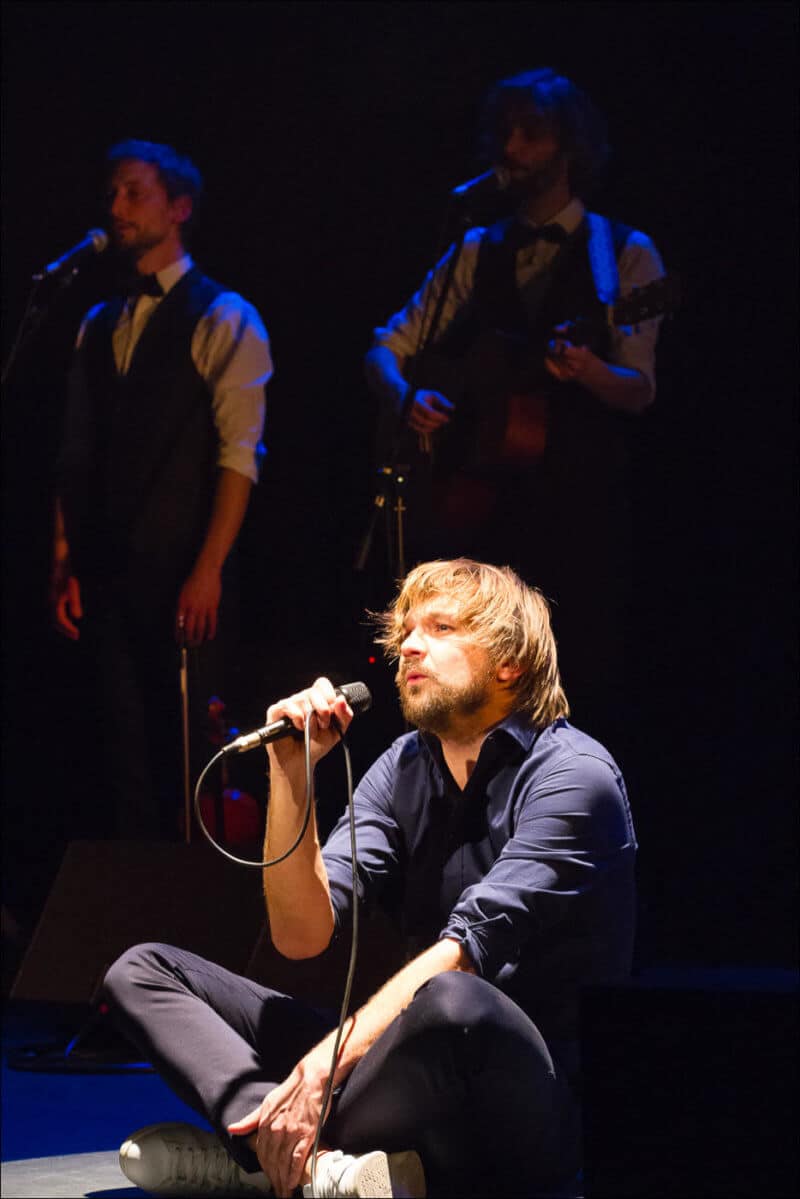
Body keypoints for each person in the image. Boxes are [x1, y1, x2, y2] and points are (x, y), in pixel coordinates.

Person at [103, 558, 637, 1198]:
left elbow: (464, 955)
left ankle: (256, 1158)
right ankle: (315, 1166)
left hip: (531, 1104)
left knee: (452, 1001)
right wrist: (290, 774)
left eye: (441, 628)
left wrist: (320, 1072)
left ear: (509, 663)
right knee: (142, 969)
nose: (410, 644)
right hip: (406, 1072)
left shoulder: (577, 777)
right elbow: (300, 936)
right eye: (406, 630)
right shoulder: (406, 764)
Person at [364, 68, 666, 755]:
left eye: (531, 134)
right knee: (481, 700)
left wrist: (589, 371)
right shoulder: (476, 246)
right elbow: (386, 343)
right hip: (483, 513)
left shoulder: (624, 253)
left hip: (581, 516)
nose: (512, 148)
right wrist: (409, 398)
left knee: (577, 689)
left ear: (569, 150)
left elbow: (640, 387)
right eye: (504, 133)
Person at [51, 139, 272, 839]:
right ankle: (130, 896)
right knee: (121, 748)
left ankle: (198, 898)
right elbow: (75, 454)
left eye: (133, 193)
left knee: (189, 745)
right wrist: (64, 558)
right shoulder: (98, 322)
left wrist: (208, 568)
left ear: (179, 208)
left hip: (181, 568)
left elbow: (241, 455)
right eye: (112, 193)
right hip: (108, 567)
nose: (115, 208)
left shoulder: (226, 315)